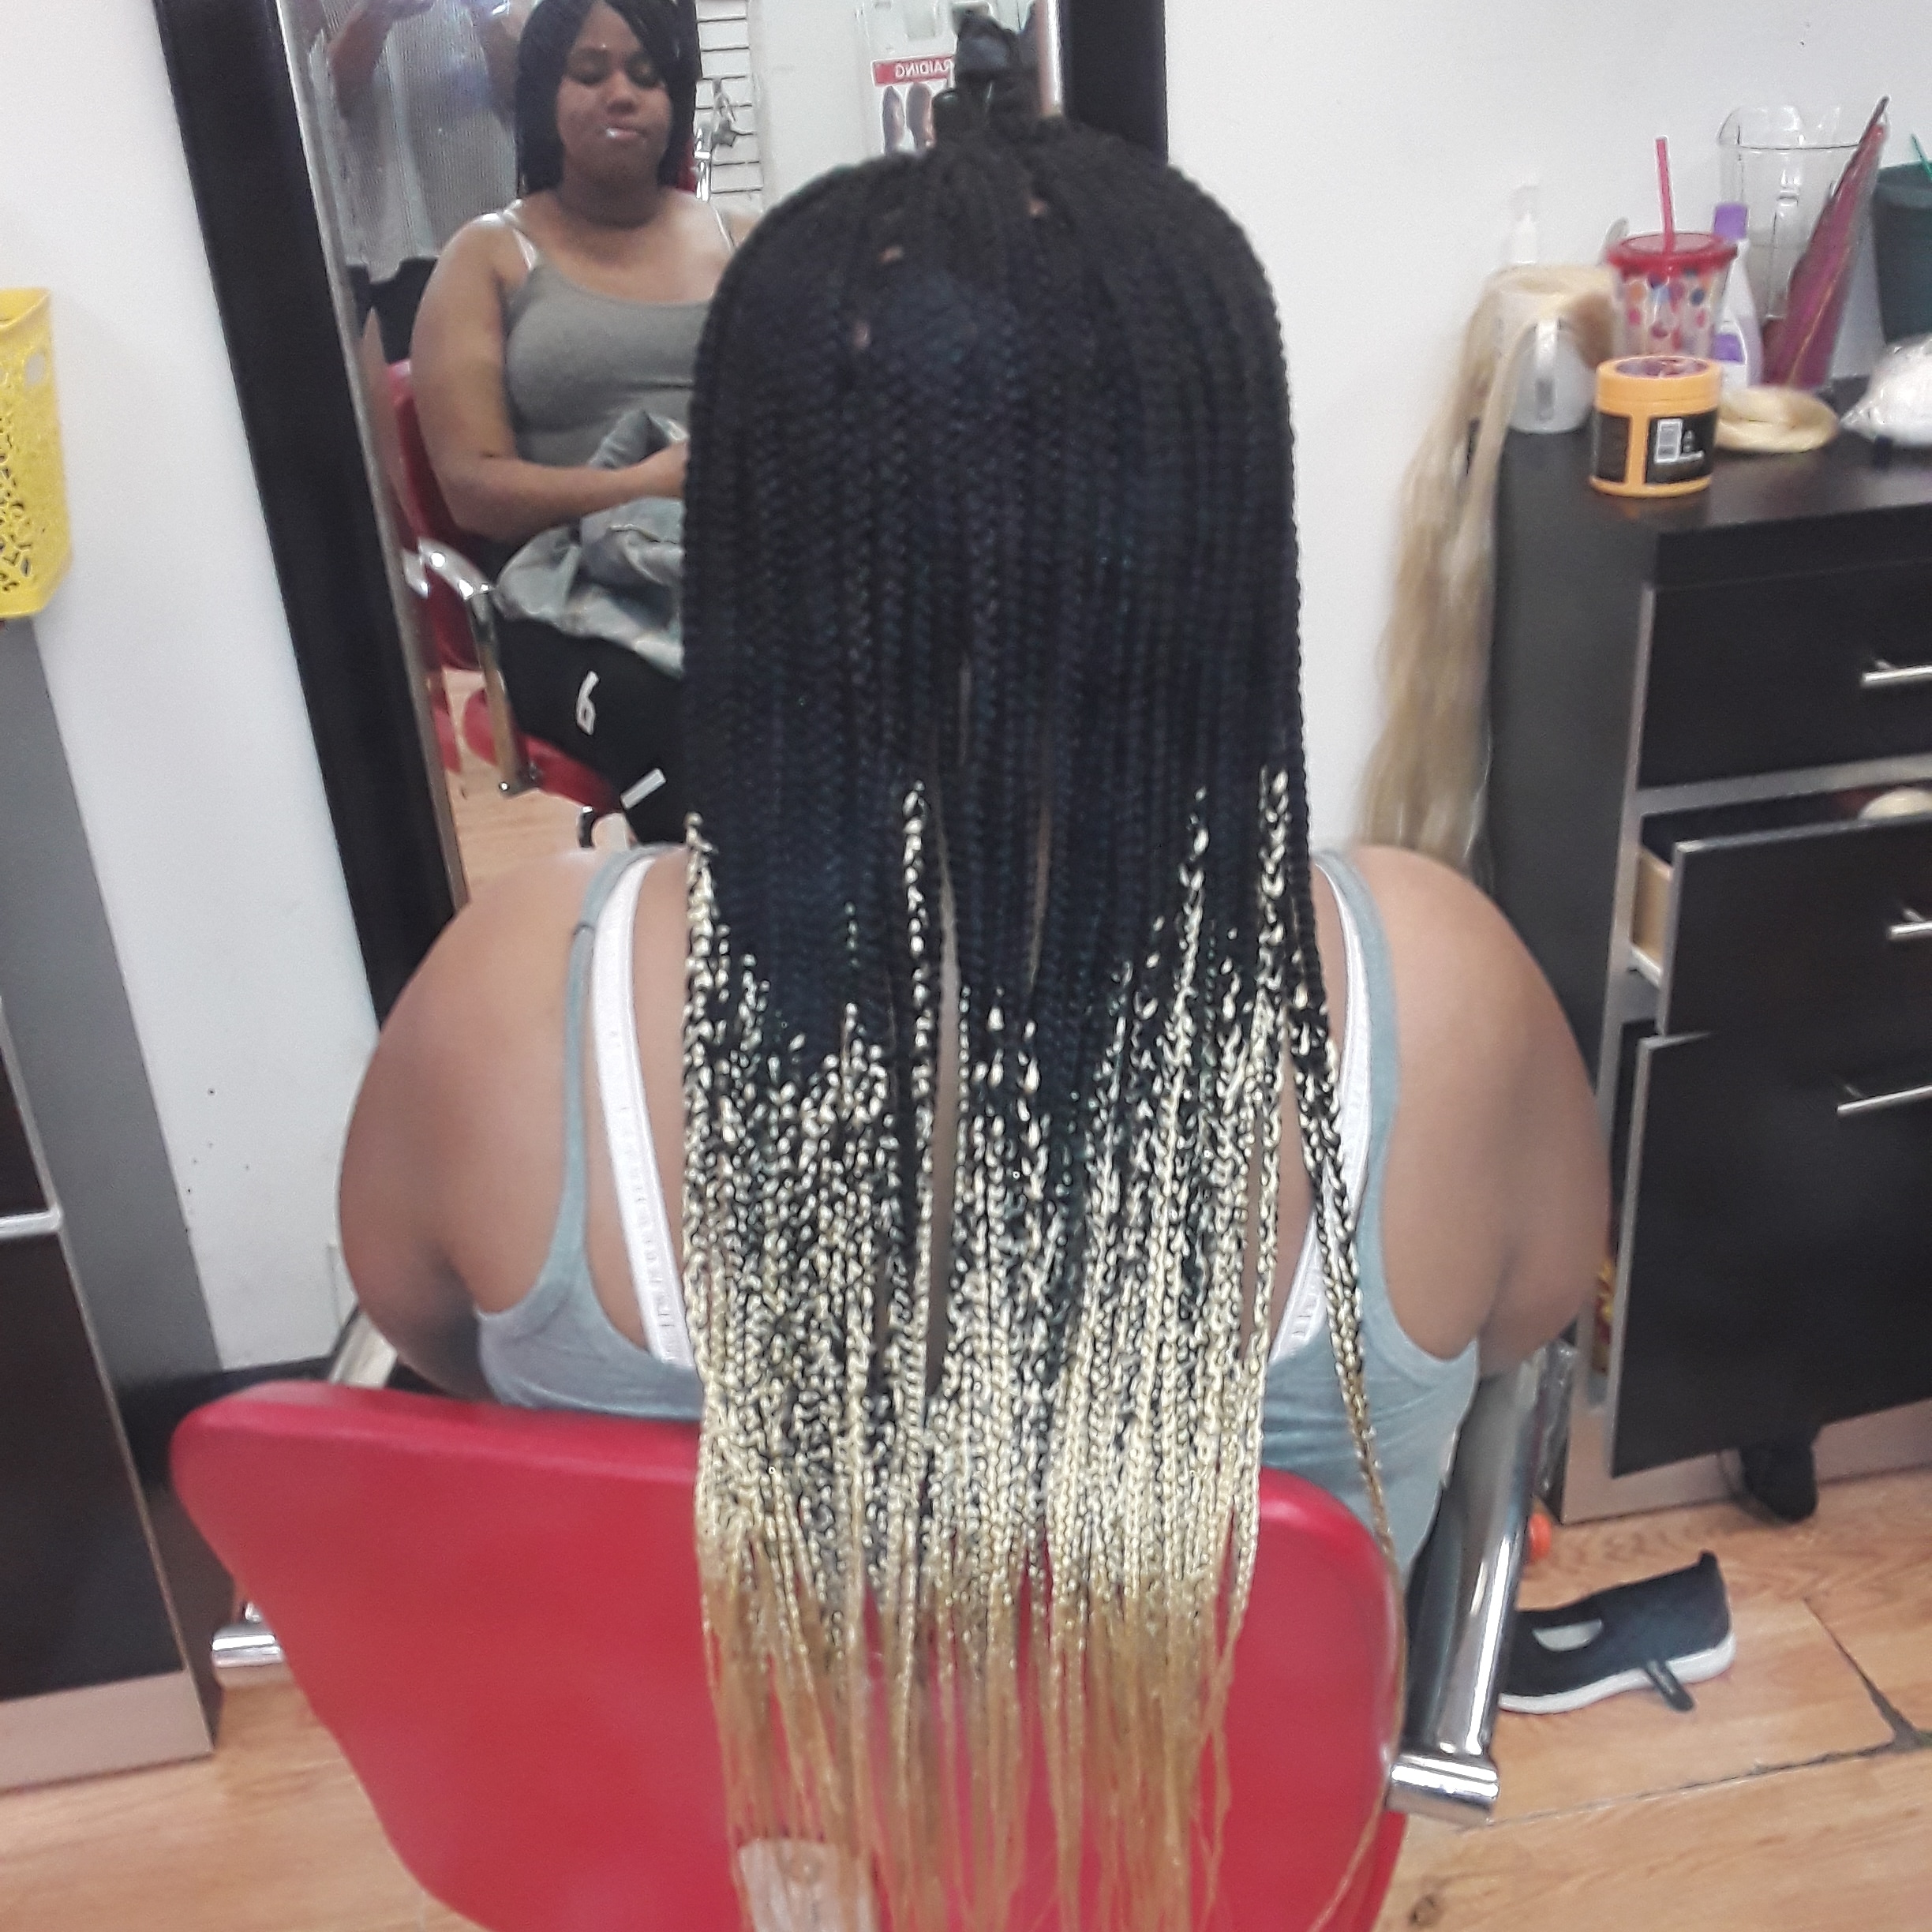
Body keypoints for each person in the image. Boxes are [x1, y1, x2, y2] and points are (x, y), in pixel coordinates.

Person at [344, 108, 1603, 1932]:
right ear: (1221, 535)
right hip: (1199, 1881)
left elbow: (438, 1347)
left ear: (746, 532)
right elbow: (1526, 1323)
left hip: (731, 1881)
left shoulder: (512, 998)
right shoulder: (1444, 993)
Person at [412, 0, 743, 842]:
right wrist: (640, 484)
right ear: (544, 95)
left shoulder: (745, 240)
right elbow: (474, 489)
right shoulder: (489, 256)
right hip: (559, 592)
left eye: (646, 75)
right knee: (680, 721)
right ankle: (697, 918)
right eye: (589, 72)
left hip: (733, 555)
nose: (620, 93)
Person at [321, 0, 526, 361]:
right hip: (378, 244)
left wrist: (486, 14)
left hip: (488, 221)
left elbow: (527, 94)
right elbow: (320, 101)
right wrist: (375, 13)